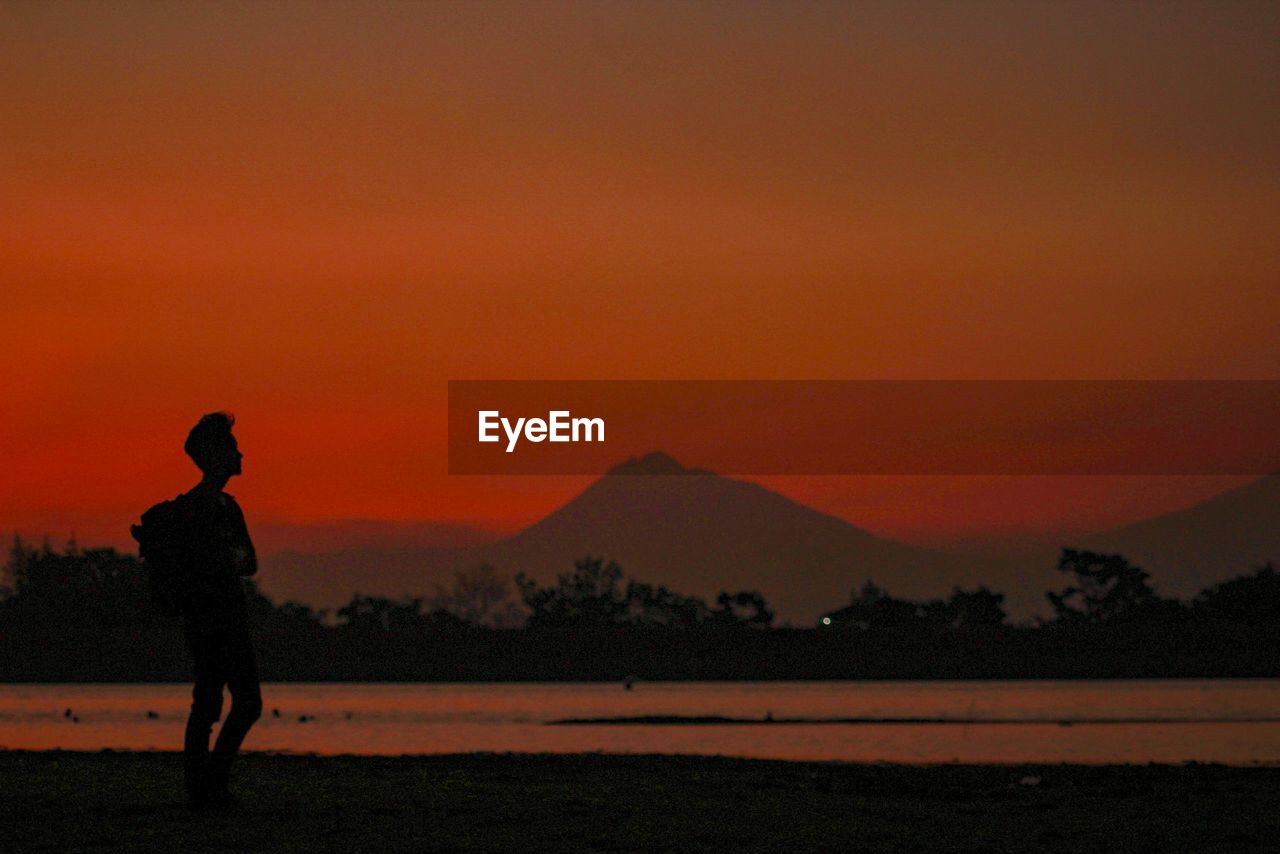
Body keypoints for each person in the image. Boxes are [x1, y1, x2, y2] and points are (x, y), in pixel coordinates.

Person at [175, 411, 263, 809]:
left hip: (225, 615)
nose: (240, 454)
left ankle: (207, 784)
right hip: (211, 618)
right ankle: (207, 785)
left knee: (225, 702)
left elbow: (250, 562)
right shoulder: (200, 508)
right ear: (215, 456)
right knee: (219, 702)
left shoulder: (227, 506)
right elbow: (226, 562)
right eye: (232, 448)